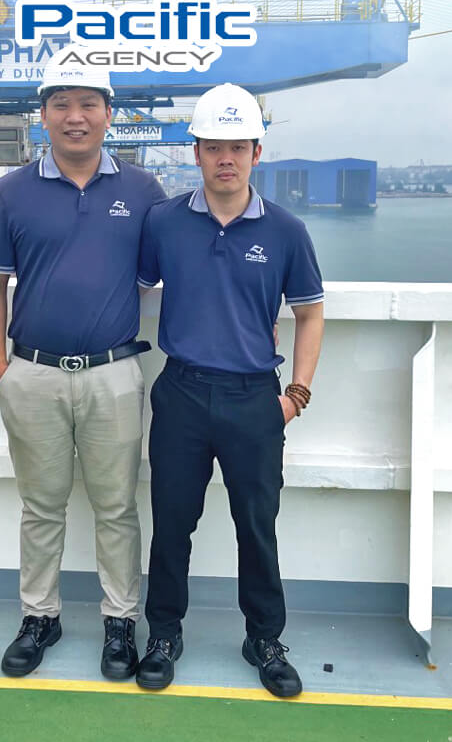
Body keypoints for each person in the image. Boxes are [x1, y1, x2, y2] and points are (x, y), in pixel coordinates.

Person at [0, 51, 166, 680]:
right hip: (33, 375)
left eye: (88, 104)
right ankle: (40, 616)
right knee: (41, 506)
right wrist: (2, 371)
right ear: (44, 114)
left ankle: (120, 621)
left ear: (109, 114)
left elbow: (174, 268)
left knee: (117, 507)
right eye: (61, 104)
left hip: (114, 373)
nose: (75, 116)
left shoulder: (142, 191)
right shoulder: (11, 192)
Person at [133, 83, 324, 698]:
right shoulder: (163, 222)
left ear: (256, 153)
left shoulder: (287, 231)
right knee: (172, 523)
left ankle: (264, 639)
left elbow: (310, 313)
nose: (226, 159)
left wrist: (295, 394)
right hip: (182, 392)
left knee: (257, 525)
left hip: (254, 397)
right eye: (214, 147)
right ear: (196, 153)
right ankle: (164, 634)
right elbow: (131, 285)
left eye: (238, 147)